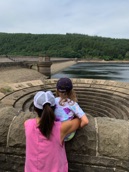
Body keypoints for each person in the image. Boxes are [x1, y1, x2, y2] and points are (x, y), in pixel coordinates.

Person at [24, 90, 87, 172]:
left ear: (35, 109)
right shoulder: (61, 128)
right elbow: (81, 120)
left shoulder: (27, 124)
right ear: (54, 108)